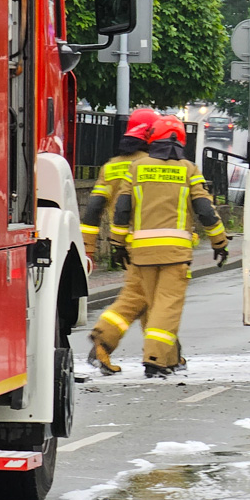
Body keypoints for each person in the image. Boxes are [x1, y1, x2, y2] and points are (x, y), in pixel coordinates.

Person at [89, 116, 230, 378]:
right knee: (167, 306)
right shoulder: (188, 169)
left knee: (143, 301)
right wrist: (219, 241)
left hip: (140, 252)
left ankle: (162, 354)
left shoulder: (138, 167)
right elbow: (205, 210)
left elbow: (122, 209)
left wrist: (118, 243)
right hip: (175, 253)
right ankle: (156, 359)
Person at [82, 108, 160, 376]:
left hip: (125, 245)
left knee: (152, 299)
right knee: (138, 299)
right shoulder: (153, 163)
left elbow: (93, 208)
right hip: (152, 243)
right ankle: (102, 344)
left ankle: (164, 354)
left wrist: (88, 248)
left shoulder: (111, 166)